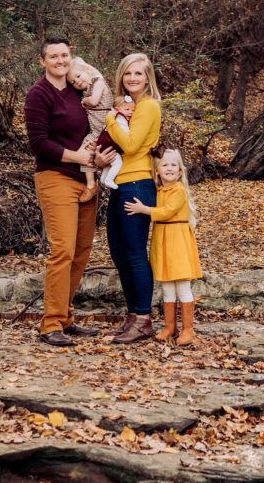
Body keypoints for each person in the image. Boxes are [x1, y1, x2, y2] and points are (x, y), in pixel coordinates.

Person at [24, 37, 100, 347]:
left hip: (87, 179)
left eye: (65, 55)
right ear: (42, 61)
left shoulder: (76, 91)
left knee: (81, 252)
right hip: (56, 177)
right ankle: (50, 323)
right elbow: (39, 143)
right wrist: (77, 157)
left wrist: (97, 157)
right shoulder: (38, 95)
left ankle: (66, 317)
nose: (60, 60)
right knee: (63, 251)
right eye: (53, 56)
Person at [98, 53, 161, 343]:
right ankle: (132, 316)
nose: (132, 78)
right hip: (120, 185)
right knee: (119, 253)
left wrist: (110, 120)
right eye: (127, 74)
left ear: (147, 78)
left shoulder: (147, 107)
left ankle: (144, 319)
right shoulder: (130, 107)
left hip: (138, 184)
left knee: (135, 254)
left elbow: (132, 145)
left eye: (138, 74)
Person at [124, 147, 201, 345]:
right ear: (157, 170)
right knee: (166, 286)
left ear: (180, 171)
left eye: (173, 165)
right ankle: (169, 326)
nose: (169, 168)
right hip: (163, 239)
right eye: (164, 165)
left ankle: (187, 329)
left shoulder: (179, 190)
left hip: (177, 240)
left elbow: (167, 211)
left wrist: (143, 209)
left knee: (182, 285)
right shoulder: (158, 190)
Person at [67, 57, 113, 203]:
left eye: (78, 76)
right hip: (99, 128)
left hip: (103, 128)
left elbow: (93, 101)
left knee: (84, 148)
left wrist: (84, 101)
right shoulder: (88, 87)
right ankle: (101, 180)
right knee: (93, 152)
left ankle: (91, 184)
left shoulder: (98, 82)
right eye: (73, 82)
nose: (77, 82)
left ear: (87, 70)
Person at [98, 95, 135, 190]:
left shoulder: (114, 118)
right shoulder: (120, 119)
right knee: (118, 163)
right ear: (117, 109)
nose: (130, 112)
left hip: (104, 146)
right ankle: (109, 180)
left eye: (133, 110)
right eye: (127, 109)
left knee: (111, 163)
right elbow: (125, 134)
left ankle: (103, 179)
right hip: (109, 146)